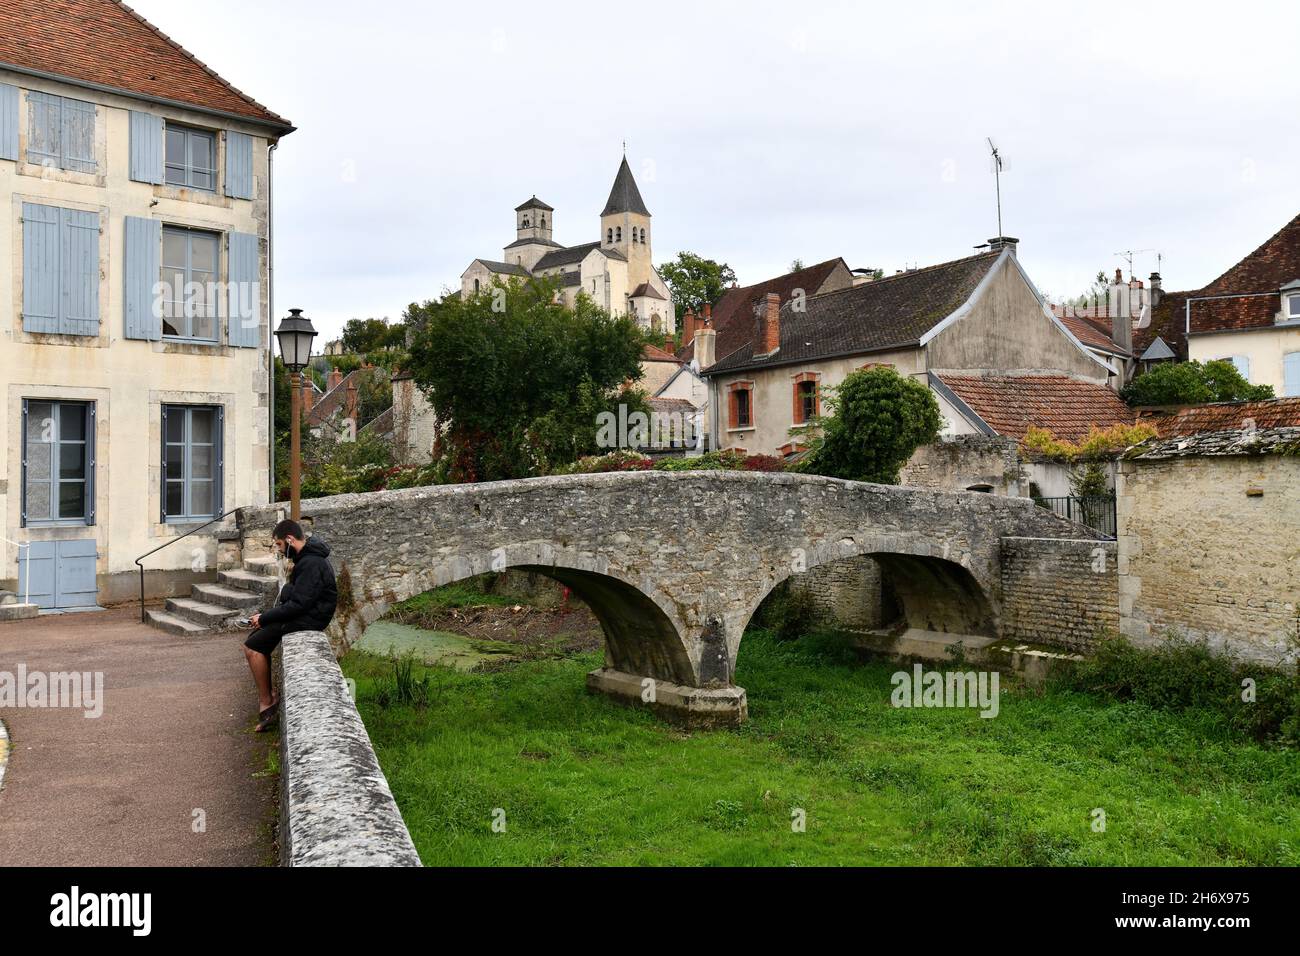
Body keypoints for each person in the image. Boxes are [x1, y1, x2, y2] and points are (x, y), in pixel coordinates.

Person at [242, 519, 338, 732]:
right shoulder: (306, 559)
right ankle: (269, 696)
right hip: (304, 614)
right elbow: (292, 593)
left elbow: (298, 603)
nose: (278, 549)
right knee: (255, 639)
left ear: (289, 539)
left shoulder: (311, 563)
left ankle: (267, 702)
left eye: (278, 544)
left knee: (252, 647)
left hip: (309, 619)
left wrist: (266, 617)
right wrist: (270, 613)